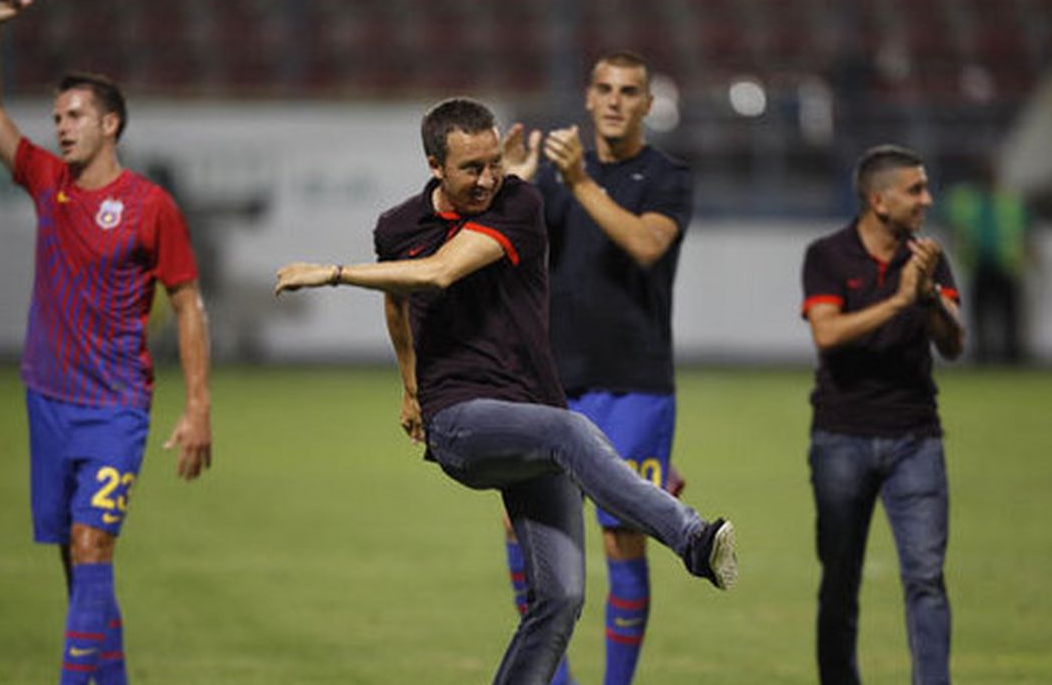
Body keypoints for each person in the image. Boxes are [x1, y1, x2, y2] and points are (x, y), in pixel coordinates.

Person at [274, 97, 736, 685]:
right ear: (434, 164)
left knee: (561, 599)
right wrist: (412, 388)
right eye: (472, 168)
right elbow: (399, 304)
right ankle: (691, 537)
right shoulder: (397, 227)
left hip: (534, 425)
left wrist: (334, 273)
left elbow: (439, 271)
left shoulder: (519, 204)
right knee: (571, 431)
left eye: (495, 163)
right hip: (461, 421)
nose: (489, 178)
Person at [0, 0, 213, 685]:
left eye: (74, 115)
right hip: (46, 398)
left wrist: (197, 406)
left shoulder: (148, 206)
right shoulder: (47, 181)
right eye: (57, 117)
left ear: (111, 123)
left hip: (116, 408)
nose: (61, 126)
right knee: (77, 561)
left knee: (91, 541)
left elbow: (189, 303)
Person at [500, 50, 693, 685]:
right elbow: (506, 257)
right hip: (552, 382)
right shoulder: (552, 180)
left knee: (622, 539)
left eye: (629, 91)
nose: (615, 100)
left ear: (646, 103)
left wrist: (581, 181)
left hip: (632, 385)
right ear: (587, 97)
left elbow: (644, 244)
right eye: (605, 89)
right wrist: (509, 189)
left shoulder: (666, 178)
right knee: (522, 527)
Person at [799, 145, 965, 685]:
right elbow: (826, 333)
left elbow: (955, 342)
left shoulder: (928, 258)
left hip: (916, 438)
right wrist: (898, 301)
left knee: (926, 578)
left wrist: (928, 299)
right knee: (841, 580)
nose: (927, 199)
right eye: (915, 189)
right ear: (879, 199)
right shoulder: (826, 255)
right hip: (841, 438)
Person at [944, 165, 1032, 364]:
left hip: (1007, 266)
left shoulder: (1009, 200)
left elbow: (1025, 229)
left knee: (1010, 315)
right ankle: (984, 356)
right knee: (981, 315)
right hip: (979, 265)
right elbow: (952, 226)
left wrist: (1029, 254)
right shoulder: (967, 201)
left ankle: (1012, 356)